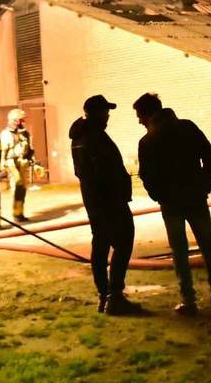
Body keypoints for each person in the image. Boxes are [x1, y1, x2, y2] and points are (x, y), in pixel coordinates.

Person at [134, 93, 211, 315]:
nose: (139, 121)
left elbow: (146, 175)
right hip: (196, 196)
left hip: (171, 203)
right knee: (208, 247)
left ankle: (189, 300)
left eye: (140, 116)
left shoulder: (148, 141)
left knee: (179, 251)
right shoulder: (187, 127)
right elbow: (210, 156)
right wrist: (205, 184)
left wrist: (158, 195)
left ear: (148, 114)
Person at [70, 95, 141, 315]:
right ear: (96, 113)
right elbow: (105, 172)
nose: (108, 116)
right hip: (110, 201)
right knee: (123, 242)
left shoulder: (78, 138)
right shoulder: (95, 138)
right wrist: (118, 193)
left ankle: (104, 296)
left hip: (94, 201)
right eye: (105, 112)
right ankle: (115, 297)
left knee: (100, 246)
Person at [1, 109, 35, 222]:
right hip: (12, 163)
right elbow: (3, 152)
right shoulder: (6, 134)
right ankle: (16, 214)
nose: (23, 122)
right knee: (17, 185)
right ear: (15, 121)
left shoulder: (24, 133)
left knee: (22, 188)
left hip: (23, 162)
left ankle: (19, 213)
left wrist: (32, 160)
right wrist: (2, 167)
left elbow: (29, 149)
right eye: (21, 120)